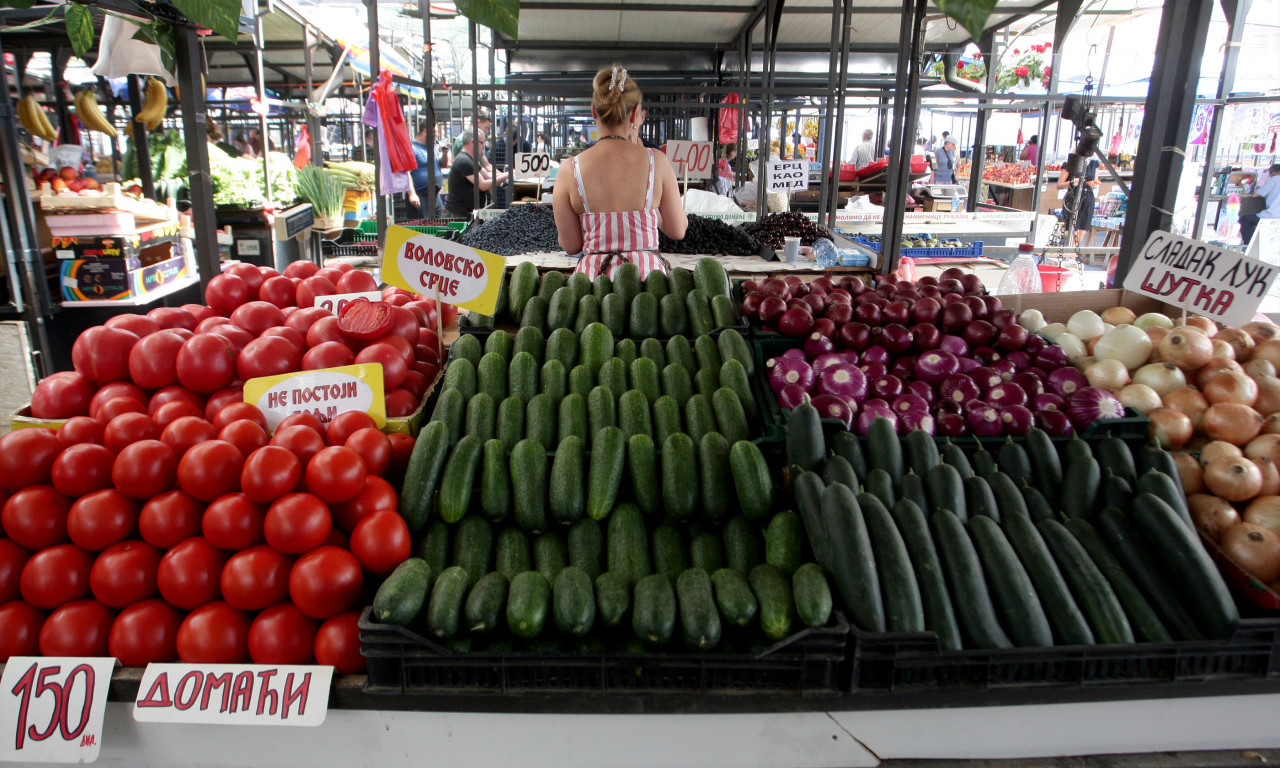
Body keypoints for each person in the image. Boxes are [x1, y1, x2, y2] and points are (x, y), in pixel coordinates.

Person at [553, 64, 687, 279]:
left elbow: (571, 246)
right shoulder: (657, 161)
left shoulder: (569, 170)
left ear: (593, 111)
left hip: (592, 289)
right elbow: (677, 230)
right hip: (648, 288)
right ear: (635, 115)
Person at [443, 130, 507, 218]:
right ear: (472, 142)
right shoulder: (464, 161)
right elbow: (483, 185)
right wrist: (508, 175)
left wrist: (509, 175)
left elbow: (488, 176)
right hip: (456, 215)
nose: (483, 146)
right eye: (482, 143)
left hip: (463, 213)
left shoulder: (471, 160)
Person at [1058, 157, 1100, 247]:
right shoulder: (1070, 163)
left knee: (1083, 229)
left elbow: (1096, 182)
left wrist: (1093, 184)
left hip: (1088, 198)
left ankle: (1073, 252)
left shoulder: (1094, 163)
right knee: (1073, 230)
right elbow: (1059, 185)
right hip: (1073, 197)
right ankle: (1072, 254)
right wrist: (1071, 183)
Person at [1241, 163, 1280, 247]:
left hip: (1270, 217)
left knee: (1244, 219)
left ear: (1274, 172)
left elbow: (1255, 194)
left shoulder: (1275, 179)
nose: (1270, 176)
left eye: (1270, 174)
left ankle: (1249, 244)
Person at [406, 124, 438, 219]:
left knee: (441, 222)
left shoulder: (431, 147)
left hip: (434, 195)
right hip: (421, 195)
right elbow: (406, 172)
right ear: (425, 131)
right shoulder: (412, 148)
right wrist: (412, 194)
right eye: (435, 131)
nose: (436, 134)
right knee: (424, 226)